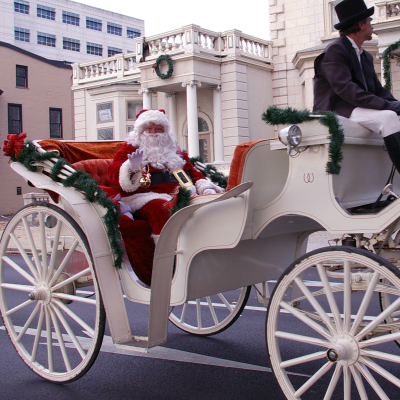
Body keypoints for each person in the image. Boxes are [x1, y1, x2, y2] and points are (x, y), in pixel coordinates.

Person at [108, 109, 223, 244]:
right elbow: (113, 174)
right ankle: (169, 252)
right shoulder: (130, 149)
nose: (153, 133)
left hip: (181, 193)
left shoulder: (173, 150)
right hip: (145, 197)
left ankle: (209, 244)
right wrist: (130, 168)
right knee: (162, 208)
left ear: (165, 132)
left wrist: (205, 188)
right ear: (140, 131)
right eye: (149, 128)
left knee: (211, 205)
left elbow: (192, 172)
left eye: (158, 129)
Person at [313, 0, 400, 172]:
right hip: (338, 108)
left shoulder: (365, 56)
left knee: (395, 115)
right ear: (360, 25)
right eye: (369, 21)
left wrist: (395, 104)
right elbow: (346, 89)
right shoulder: (335, 50)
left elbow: (378, 90)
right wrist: (387, 106)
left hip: (355, 107)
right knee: (388, 118)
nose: (372, 25)